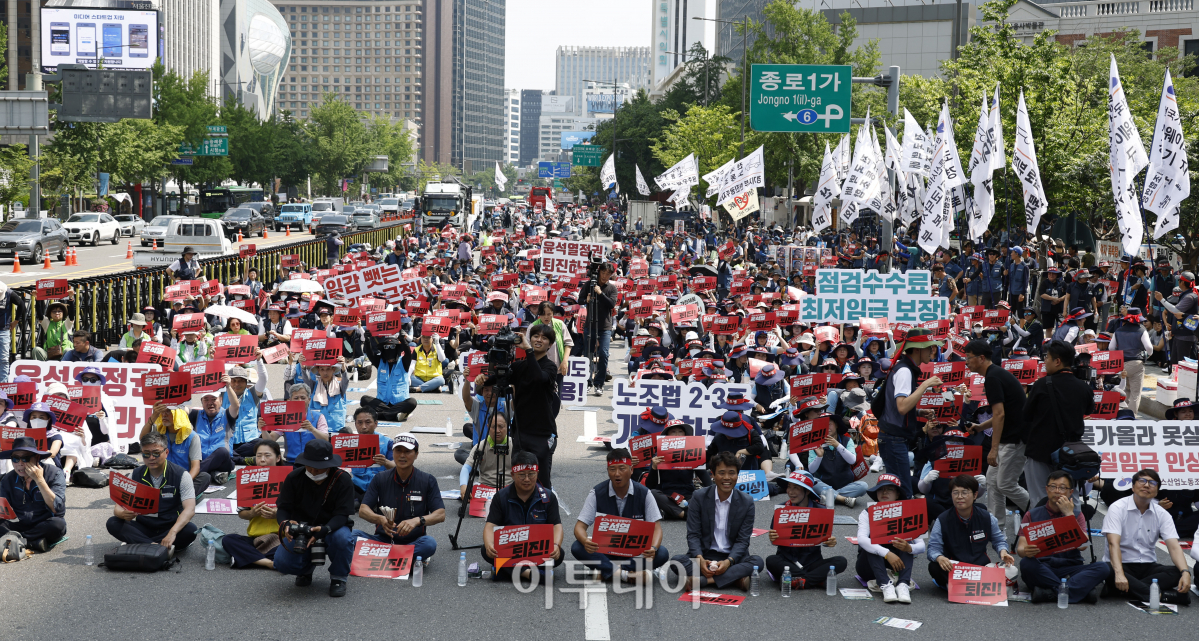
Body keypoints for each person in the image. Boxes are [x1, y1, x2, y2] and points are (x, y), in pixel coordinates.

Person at [669, 450, 765, 591]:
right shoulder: (699, 496)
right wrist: (700, 558)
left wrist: (729, 561)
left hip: (732, 557)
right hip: (705, 554)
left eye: (732, 473)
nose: (727, 478)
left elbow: (743, 540)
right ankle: (735, 579)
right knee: (676, 561)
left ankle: (705, 581)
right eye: (721, 473)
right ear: (712, 475)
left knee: (757, 562)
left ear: (738, 475)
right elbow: (693, 534)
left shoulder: (747, 501)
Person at [274, 439, 357, 598]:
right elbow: (283, 508)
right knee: (281, 563)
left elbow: (342, 515)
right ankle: (305, 570)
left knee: (343, 539)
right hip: (302, 530)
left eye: (319, 468)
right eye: (309, 466)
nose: (313, 471)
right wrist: (285, 523)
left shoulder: (343, 479)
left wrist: (324, 530)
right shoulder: (294, 478)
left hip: (332, 527)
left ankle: (338, 577)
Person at [571, 448, 668, 583]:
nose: (617, 474)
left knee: (662, 553)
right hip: (606, 550)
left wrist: (654, 548)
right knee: (577, 546)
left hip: (634, 552)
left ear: (631, 469)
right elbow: (579, 527)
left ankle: (607, 570)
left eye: (622, 468)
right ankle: (625, 574)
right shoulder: (597, 492)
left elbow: (656, 527)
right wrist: (585, 541)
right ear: (607, 471)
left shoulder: (644, 493)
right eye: (612, 469)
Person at [963, 339, 1028, 534]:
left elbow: (999, 414)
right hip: (1009, 437)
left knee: (1006, 484)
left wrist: (993, 448)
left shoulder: (992, 378)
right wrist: (980, 426)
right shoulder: (994, 374)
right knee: (992, 482)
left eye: (969, 358)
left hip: (1015, 439)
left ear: (981, 358)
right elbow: (1002, 412)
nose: (966, 362)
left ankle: (1042, 513)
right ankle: (997, 527)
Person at [1015, 471, 1110, 604]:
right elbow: (1020, 548)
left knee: (1103, 568)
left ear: (1070, 492)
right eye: (1053, 487)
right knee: (1026, 564)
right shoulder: (1032, 514)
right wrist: (1026, 551)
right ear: (1047, 489)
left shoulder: (1077, 515)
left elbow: (1083, 546)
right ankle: (1076, 590)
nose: (1057, 491)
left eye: (1063, 487)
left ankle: (1049, 593)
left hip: (1071, 567)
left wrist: (1069, 515)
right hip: (1044, 566)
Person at [1102, 468, 1192, 605]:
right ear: (1132, 486)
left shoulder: (1162, 514)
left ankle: (1118, 590)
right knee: (1105, 569)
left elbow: (1174, 547)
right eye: (1142, 481)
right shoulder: (1117, 508)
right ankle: (1162, 595)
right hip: (1121, 564)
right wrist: (1119, 573)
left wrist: (1186, 572)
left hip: (1148, 566)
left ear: (1157, 491)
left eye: (1152, 483)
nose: (1146, 485)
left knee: (1177, 572)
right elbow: (1113, 543)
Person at [1022, 340, 1094, 507]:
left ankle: (1044, 531)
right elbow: (1089, 410)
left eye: (1046, 357)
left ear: (1057, 361)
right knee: (1070, 499)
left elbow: (1026, 415)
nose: (1044, 361)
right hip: (1071, 454)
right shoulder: (1083, 388)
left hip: (1040, 452)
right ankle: (1072, 529)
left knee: (1040, 500)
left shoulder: (1041, 385)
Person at [353, 433, 445, 563]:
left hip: (413, 541)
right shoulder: (380, 478)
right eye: (398, 451)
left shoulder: (427, 480)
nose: (402, 455)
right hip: (383, 540)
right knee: (350, 536)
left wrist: (417, 521)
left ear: (416, 454)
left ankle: (384, 556)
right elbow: (363, 510)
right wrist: (380, 519)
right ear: (393, 452)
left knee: (429, 544)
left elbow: (440, 514)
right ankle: (403, 558)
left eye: (407, 451)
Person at [877, 328, 945, 497]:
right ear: (917, 349)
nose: (932, 350)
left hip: (893, 437)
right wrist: (925, 385)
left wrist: (919, 412)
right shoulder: (905, 370)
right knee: (904, 492)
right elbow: (901, 407)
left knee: (899, 490)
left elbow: (897, 407)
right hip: (893, 439)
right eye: (929, 347)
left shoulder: (906, 368)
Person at [105, 432, 198, 551]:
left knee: (191, 530)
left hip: (170, 527)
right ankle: (155, 547)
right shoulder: (135, 474)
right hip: (144, 527)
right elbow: (118, 507)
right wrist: (122, 514)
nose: (151, 458)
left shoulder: (182, 475)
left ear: (166, 452)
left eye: (156, 453)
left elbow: (190, 509)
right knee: (113, 523)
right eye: (146, 454)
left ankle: (141, 543)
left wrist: (172, 533)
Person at [482, 452, 565, 582]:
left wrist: (556, 545)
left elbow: (557, 525)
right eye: (522, 475)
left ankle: (507, 572)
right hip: (511, 548)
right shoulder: (501, 496)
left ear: (537, 473)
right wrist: (489, 545)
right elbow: (491, 525)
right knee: (485, 551)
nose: (527, 479)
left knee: (559, 555)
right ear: (513, 475)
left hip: (536, 548)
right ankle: (530, 574)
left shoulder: (549, 496)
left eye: (531, 474)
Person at [926, 474, 1015, 590]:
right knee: (934, 567)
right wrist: (940, 558)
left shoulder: (986, 517)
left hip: (980, 566)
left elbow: (998, 540)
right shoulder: (942, 520)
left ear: (975, 495)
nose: (959, 497)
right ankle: (964, 586)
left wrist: (1003, 552)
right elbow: (933, 548)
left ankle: (957, 587)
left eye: (964, 492)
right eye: (955, 492)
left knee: (1012, 570)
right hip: (955, 568)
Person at [764, 471, 846, 591]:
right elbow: (776, 540)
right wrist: (773, 538)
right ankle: (816, 580)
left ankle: (802, 581)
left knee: (841, 561)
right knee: (771, 560)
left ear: (807, 491)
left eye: (796, 488)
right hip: (788, 562)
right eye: (789, 487)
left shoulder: (821, 511)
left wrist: (830, 542)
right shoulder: (782, 509)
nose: (790, 492)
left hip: (812, 562)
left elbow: (824, 538)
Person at [855, 473, 925, 603]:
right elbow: (862, 540)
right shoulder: (867, 512)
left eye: (890, 489)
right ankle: (885, 585)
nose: (884, 492)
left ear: (898, 494)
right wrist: (887, 553)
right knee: (872, 542)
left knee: (907, 541)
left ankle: (903, 584)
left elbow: (921, 546)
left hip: (897, 566)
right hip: (868, 566)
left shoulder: (909, 512)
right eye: (880, 489)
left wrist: (909, 548)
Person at [221, 440, 286, 569]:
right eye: (258, 455)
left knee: (295, 547)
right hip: (256, 538)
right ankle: (269, 563)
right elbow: (242, 513)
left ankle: (250, 558)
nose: (262, 459)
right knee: (228, 540)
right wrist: (252, 513)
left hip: (281, 537)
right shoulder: (248, 477)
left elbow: (298, 512)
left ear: (278, 458)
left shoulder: (289, 479)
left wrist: (278, 514)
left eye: (267, 455)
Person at [511, 324, 559, 489]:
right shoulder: (519, 366)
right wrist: (479, 376)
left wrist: (528, 351)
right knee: (519, 477)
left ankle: (546, 511)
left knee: (541, 481)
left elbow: (538, 378)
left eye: (544, 338)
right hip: (520, 432)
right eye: (536, 336)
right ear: (530, 338)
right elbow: (497, 378)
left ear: (550, 344)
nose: (539, 340)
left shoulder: (550, 367)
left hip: (542, 434)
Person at [0, 436, 67, 553]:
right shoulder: (7, 479)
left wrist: (39, 480)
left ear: (36, 458)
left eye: (25, 458)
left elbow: (58, 510)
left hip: (43, 524)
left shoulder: (54, 473)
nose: (20, 463)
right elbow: (3, 512)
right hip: (18, 524)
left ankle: (16, 541)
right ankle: (30, 543)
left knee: (58, 525)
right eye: (15, 459)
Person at [139, 402, 211, 496]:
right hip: (159, 477)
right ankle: (175, 500)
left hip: (181, 479)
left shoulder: (192, 437)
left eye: (169, 411)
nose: (164, 415)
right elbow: (143, 440)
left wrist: (183, 483)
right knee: (135, 475)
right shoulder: (159, 431)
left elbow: (195, 467)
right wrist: (154, 416)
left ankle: (175, 501)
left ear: (179, 414)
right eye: (162, 412)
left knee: (204, 477)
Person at [577, 261, 618, 395]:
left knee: (603, 354)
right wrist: (586, 300)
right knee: (588, 354)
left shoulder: (612, 288)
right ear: (599, 272)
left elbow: (611, 304)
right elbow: (580, 300)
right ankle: (588, 381)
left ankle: (599, 383)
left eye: (608, 274)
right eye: (603, 272)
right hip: (590, 325)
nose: (605, 276)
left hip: (605, 326)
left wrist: (600, 293)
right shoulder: (589, 284)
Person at [360, 334, 418, 421]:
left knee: (412, 402)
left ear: (397, 350)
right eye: (386, 347)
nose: (389, 351)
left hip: (399, 402)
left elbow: (408, 352)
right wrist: (367, 340)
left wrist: (402, 339)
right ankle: (394, 415)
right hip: (382, 403)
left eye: (392, 347)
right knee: (364, 399)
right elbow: (370, 353)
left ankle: (379, 415)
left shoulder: (404, 362)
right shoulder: (380, 363)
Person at [1108, 307, 1152, 414]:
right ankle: (1131, 417)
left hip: (1120, 364)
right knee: (1135, 393)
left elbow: (1111, 348)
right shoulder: (1142, 330)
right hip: (1136, 363)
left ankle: (1122, 414)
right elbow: (1149, 348)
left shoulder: (1118, 331)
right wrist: (1148, 355)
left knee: (1125, 390)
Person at [459, 412, 512, 498]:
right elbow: (466, 468)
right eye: (494, 427)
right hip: (485, 487)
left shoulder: (514, 445)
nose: (497, 431)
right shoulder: (480, 446)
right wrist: (463, 485)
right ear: (488, 427)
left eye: (501, 427)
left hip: (509, 487)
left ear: (507, 427)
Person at [223, 362, 270, 457]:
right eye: (234, 380)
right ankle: (238, 458)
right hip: (228, 441)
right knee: (220, 450)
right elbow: (210, 383)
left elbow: (264, 379)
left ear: (246, 382)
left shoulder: (253, 394)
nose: (237, 384)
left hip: (250, 442)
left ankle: (235, 458)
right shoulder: (222, 395)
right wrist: (212, 358)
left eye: (240, 381)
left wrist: (259, 360)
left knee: (264, 445)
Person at [347, 407, 393, 496]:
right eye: (360, 423)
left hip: (381, 486)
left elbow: (398, 468)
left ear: (375, 424)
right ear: (355, 424)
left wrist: (385, 462)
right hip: (357, 486)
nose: (363, 427)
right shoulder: (348, 443)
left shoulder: (388, 443)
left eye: (368, 422)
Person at [0, 281, 27, 381]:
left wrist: (16, 321)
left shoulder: (9, 293)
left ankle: (2, 384)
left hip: (3, 330)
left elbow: (22, 305)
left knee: (3, 359)